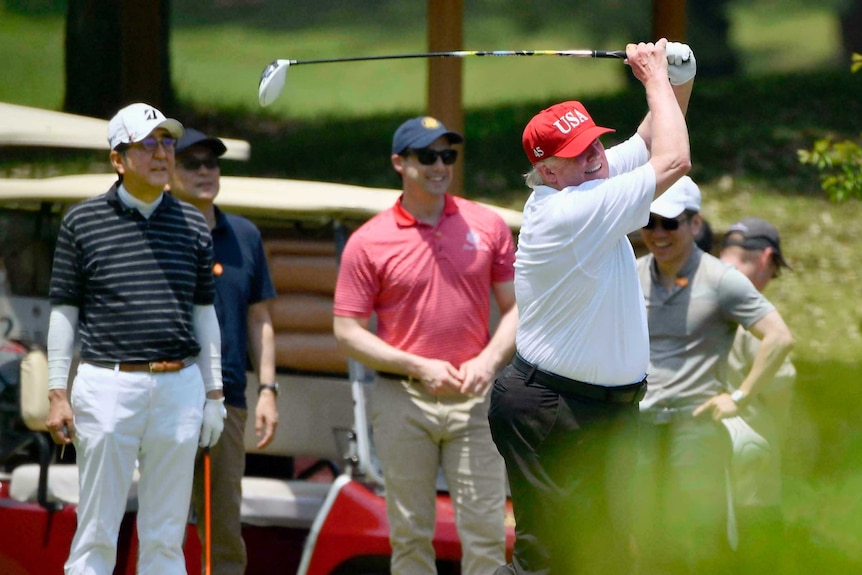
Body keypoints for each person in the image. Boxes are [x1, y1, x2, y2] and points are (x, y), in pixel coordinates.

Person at [488, 39, 697, 575]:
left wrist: (678, 71)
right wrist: (651, 78)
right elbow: (674, 159)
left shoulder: (591, 177)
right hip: (553, 409)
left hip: (598, 410)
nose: (594, 156)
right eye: (577, 153)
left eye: (595, 145)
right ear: (547, 172)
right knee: (550, 561)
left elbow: (654, 135)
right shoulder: (567, 209)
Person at [44, 102, 226, 575]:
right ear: (118, 159)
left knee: (167, 536)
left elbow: (204, 315)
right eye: (148, 144)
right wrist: (57, 392)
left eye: (167, 142)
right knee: (96, 532)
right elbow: (64, 312)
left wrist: (214, 394)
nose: (163, 153)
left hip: (179, 387)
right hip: (107, 385)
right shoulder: (82, 223)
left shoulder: (193, 225)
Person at [332, 116, 518, 575]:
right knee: (411, 534)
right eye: (426, 156)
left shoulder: (488, 224)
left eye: (448, 155)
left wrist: (489, 361)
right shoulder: (369, 240)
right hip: (403, 398)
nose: (440, 165)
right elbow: (347, 332)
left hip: (474, 397)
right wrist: (418, 365)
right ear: (400, 163)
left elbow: (519, 309)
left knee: (487, 533)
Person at [634, 179, 795, 574]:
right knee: (646, 539)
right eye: (649, 221)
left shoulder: (721, 279)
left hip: (697, 424)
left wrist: (738, 397)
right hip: (639, 425)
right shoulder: (630, 274)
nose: (658, 233)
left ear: (694, 224)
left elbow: (779, 337)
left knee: (700, 539)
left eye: (669, 223)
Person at [169, 128, 279, 575]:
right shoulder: (156, 232)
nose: (204, 172)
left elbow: (261, 318)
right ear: (169, 171)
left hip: (227, 399)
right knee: (163, 526)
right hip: (165, 397)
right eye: (191, 163)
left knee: (223, 531)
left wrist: (268, 388)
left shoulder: (245, 235)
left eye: (211, 163)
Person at [719, 217, 795, 573]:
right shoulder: (758, 326)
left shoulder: (689, 295)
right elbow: (781, 402)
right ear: (767, 259)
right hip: (750, 488)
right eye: (775, 273)